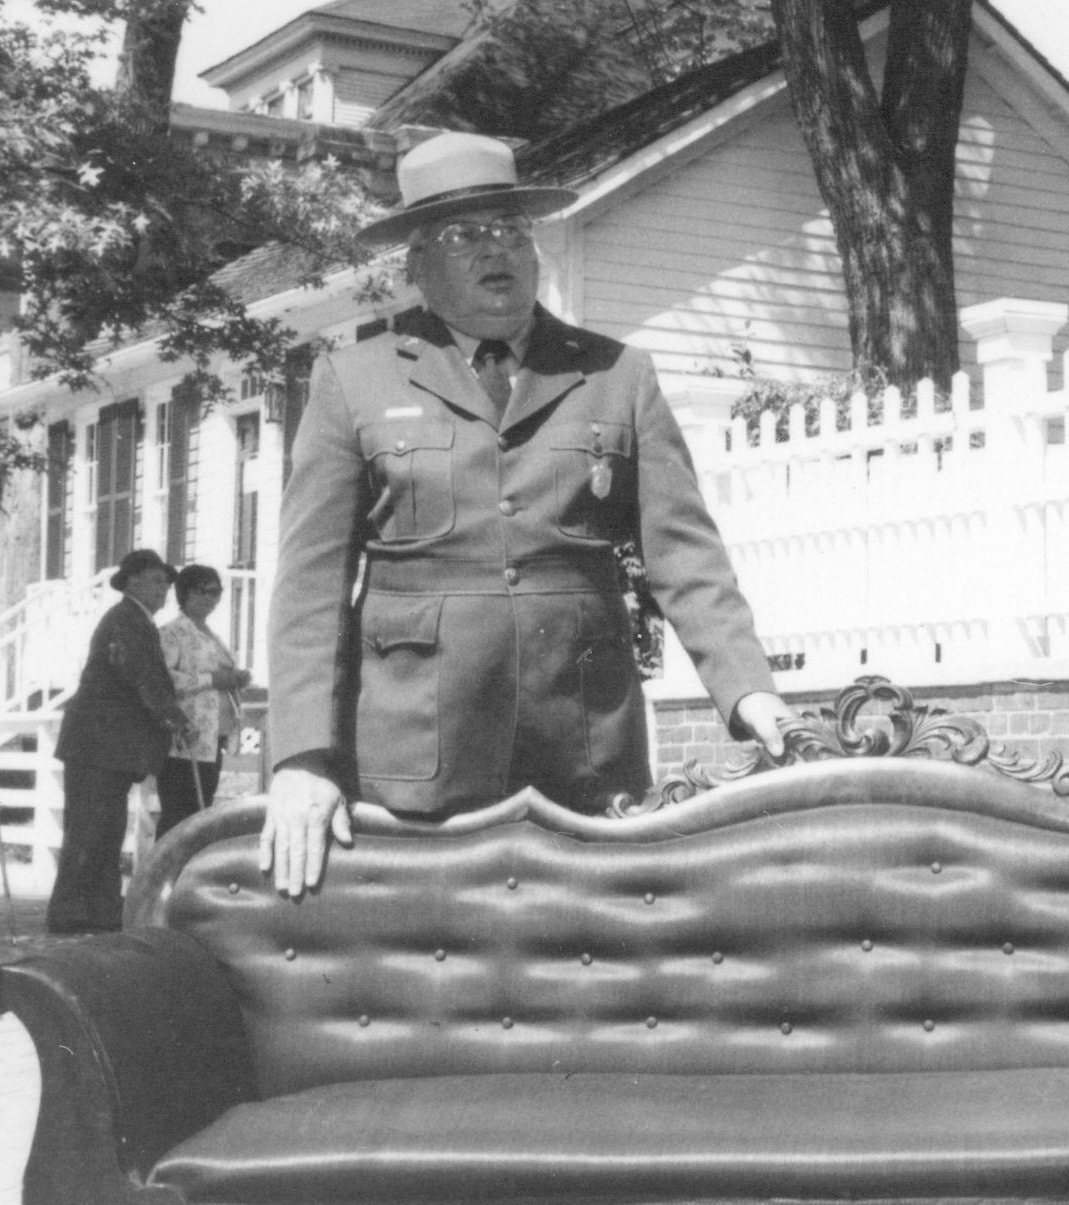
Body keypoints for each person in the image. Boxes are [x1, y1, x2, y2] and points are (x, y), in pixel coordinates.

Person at [261, 132, 793, 896]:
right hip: (415, 762)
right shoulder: (354, 381)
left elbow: (685, 556)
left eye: (512, 231)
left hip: (582, 751)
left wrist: (751, 692)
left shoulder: (616, 375)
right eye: (465, 235)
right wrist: (303, 759)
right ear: (417, 265)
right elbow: (310, 587)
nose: (496, 250)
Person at [46, 547, 182, 936]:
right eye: (157, 581)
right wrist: (172, 714)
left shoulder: (137, 621)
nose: (164, 590)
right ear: (133, 581)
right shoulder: (126, 620)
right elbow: (141, 675)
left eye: (167, 583)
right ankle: (71, 910)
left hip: (108, 747)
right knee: (90, 828)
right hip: (97, 743)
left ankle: (100, 907)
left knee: (106, 828)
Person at [156, 563, 248, 835]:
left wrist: (235, 679)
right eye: (202, 591)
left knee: (200, 814)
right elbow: (162, 680)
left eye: (215, 591)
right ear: (183, 593)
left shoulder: (212, 635)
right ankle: (164, 875)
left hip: (212, 739)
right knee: (179, 817)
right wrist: (212, 679)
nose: (210, 598)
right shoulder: (172, 633)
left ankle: (188, 876)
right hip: (185, 740)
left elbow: (220, 678)